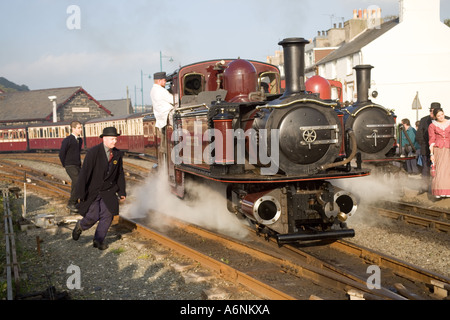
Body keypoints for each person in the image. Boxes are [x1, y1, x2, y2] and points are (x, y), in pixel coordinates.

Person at [72, 127, 126, 250]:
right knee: (93, 216)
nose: (115, 141)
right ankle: (80, 226)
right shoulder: (93, 153)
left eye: (116, 139)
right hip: (93, 191)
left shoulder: (117, 154)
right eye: (112, 139)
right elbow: (84, 174)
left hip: (109, 191)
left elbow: (119, 174)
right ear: (105, 139)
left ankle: (98, 241)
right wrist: (80, 194)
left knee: (107, 216)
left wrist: (122, 191)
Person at [150, 71, 174, 165]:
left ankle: (164, 163)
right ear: (159, 81)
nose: (165, 82)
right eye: (164, 80)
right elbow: (173, 100)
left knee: (164, 144)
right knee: (167, 143)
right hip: (167, 117)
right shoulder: (161, 90)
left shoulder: (153, 90)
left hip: (161, 119)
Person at [59, 120, 83, 213]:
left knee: (78, 182)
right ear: (73, 129)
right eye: (79, 128)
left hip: (77, 165)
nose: (80, 129)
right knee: (77, 181)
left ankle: (75, 204)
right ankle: (71, 203)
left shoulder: (80, 140)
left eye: (81, 128)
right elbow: (61, 154)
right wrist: (65, 164)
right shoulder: (67, 140)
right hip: (69, 165)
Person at [416, 102, 440, 192]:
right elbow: (418, 135)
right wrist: (425, 144)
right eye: (430, 110)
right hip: (426, 148)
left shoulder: (446, 119)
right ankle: (424, 187)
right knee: (425, 169)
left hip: (440, 149)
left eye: (433, 111)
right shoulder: (424, 120)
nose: (431, 112)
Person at [428, 107, 450, 199]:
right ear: (435, 117)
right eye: (438, 116)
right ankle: (440, 191)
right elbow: (431, 140)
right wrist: (431, 154)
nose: (441, 117)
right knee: (440, 170)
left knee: (448, 170)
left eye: (442, 114)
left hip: (448, 148)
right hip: (438, 149)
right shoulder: (432, 126)